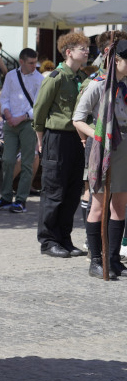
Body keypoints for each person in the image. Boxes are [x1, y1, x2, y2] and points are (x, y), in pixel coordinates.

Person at [33, 32, 91, 260]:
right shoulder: (56, 77)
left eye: (86, 48)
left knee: (72, 191)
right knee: (54, 191)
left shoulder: (80, 78)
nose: (86, 51)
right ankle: (48, 241)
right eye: (82, 48)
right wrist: (40, 140)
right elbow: (40, 111)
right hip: (56, 138)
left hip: (77, 139)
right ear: (69, 52)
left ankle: (64, 239)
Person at [73, 37, 127, 280]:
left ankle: (113, 258)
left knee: (120, 204)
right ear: (117, 60)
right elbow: (78, 119)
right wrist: (99, 136)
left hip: (124, 147)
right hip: (102, 149)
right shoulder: (98, 84)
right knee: (98, 205)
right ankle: (97, 260)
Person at [0, 48, 43, 214]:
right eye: (31, 63)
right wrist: (7, 113)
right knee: (7, 160)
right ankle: (5, 197)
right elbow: (4, 97)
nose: (35, 66)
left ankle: (20, 200)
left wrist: (21, 117)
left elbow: (39, 106)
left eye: (35, 62)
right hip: (10, 122)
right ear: (21, 62)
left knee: (27, 163)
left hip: (27, 123)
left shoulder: (39, 79)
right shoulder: (12, 75)